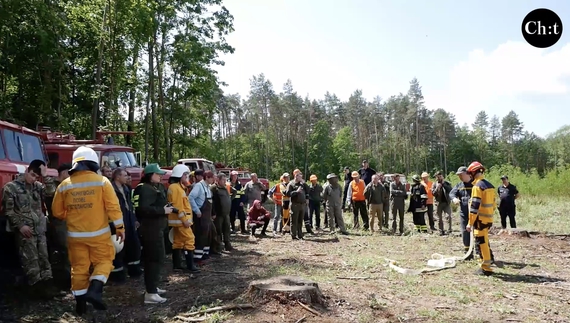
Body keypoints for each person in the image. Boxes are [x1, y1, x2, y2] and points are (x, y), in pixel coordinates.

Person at [51, 147, 125, 314]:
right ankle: (95, 291)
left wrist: (71, 215)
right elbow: (114, 208)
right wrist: (120, 228)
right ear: (92, 162)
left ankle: (80, 305)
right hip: (99, 235)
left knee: (78, 268)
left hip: (75, 237)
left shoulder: (64, 185)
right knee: (105, 261)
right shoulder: (102, 182)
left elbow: (56, 212)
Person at [3, 159, 58, 298]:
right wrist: (20, 225)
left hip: (39, 228)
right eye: (32, 174)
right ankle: (36, 289)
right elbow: (9, 211)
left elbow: (51, 193)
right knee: (31, 261)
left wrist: (45, 176)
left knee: (44, 258)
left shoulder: (38, 186)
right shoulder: (11, 187)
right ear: (27, 170)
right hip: (25, 230)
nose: (34, 179)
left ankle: (48, 286)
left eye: (37, 176)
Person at [133, 163, 171, 304]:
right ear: (150, 175)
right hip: (150, 230)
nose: (160, 176)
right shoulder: (144, 189)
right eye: (158, 174)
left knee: (158, 258)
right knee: (154, 259)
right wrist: (162, 211)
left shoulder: (155, 187)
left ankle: (153, 287)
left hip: (157, 228)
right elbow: (143, 209)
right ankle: (150, 293)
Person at [109, 168, 142, 283]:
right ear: (117, 177)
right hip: (117, 222)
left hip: (128, 220)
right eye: (124, 175)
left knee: (134, 245)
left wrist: (134, 219)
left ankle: (134, 270)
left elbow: (130, 206)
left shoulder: (126, 188)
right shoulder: (110, 189)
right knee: (118, 248)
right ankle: (117, 275)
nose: (127, 177)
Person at [167, 164, 200, 274]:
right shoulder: (176, 188)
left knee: (178, 242)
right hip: (181, 221)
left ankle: (177, 265)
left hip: (179, 221)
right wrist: (184, 220)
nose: (187, 177)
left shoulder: (178, 187)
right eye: (185, 174)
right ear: (180, 175)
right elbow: (178, 207)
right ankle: (190, 265)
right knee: (190, 240)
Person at [465, 161, 496, 276]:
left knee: (480, 243)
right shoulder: (490, 186)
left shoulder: (477, 187)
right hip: (488, 220)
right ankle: (486, 265)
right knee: (484, 242)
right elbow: (493, 205)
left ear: (473, 173)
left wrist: (470, 223)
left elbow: (474, 207)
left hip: (480, 220)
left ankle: (485, 268)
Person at [45, 163, 72, 290]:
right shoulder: (54, 187)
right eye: (69, 173)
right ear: (63, 173)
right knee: (65, 250)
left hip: (66, 222)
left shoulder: (65, 186)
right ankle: (65, 281)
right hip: (58, 223)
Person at [188, 170, 215, 263]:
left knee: (207, 236)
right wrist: (197, 210)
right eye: (212, 177)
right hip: (200, 216)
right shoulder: (199, 186)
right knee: (200, 236)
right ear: (207, 177)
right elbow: (190, 198)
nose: (213, 179)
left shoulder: (208, 187)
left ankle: (204, 255)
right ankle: (197, 258)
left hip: (207, 217)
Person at [449, 166, 474, 259]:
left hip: (475, 214)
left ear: (467, 173)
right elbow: (452, 193)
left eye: (461, 175)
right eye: (458, 175)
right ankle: (467, 252)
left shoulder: (475, 184)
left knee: (477, 232)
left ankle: (479, 251)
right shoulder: (459, 185)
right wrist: (454, 198)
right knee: (465, 231)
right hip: (464, 213)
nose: (459, 177)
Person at [211, 173, 234, 251]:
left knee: (227, 229)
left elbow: (234, 192)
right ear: (218, 180)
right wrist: (213, 213)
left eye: (225, 179)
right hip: (218, 214)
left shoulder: (225, 188)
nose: (225, 181)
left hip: (226, 214)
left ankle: (227, 244)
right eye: (223, 180)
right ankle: (218, 246)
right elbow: (212, 202)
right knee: (218, 230)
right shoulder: (214, 188)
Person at [285, 172, 309, 240]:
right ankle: (293, 235)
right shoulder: (291, 184)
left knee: (300, 221)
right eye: (299, 176)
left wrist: (303, 182)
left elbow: (308, 190)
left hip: (302, 205)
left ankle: (300, 235)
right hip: (295, 205)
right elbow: (288, 194)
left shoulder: (302, 184)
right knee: (294, 220)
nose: (300, 177)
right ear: (296, 176)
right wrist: (296, 192)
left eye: (301, 176)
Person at [431, 171, 453, 235]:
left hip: (446, 203)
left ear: (442, 176)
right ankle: (441, 230)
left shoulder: (447, 183)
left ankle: (449, 230)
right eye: (437, 177)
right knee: (439, 218)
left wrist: (444, 184)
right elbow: (433, 193)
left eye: (440, 176)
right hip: (438, 203)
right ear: (436, 178)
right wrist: (437, 188)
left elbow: (450, 190)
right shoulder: (434, 184)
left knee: (448, 216)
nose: (439, 178)